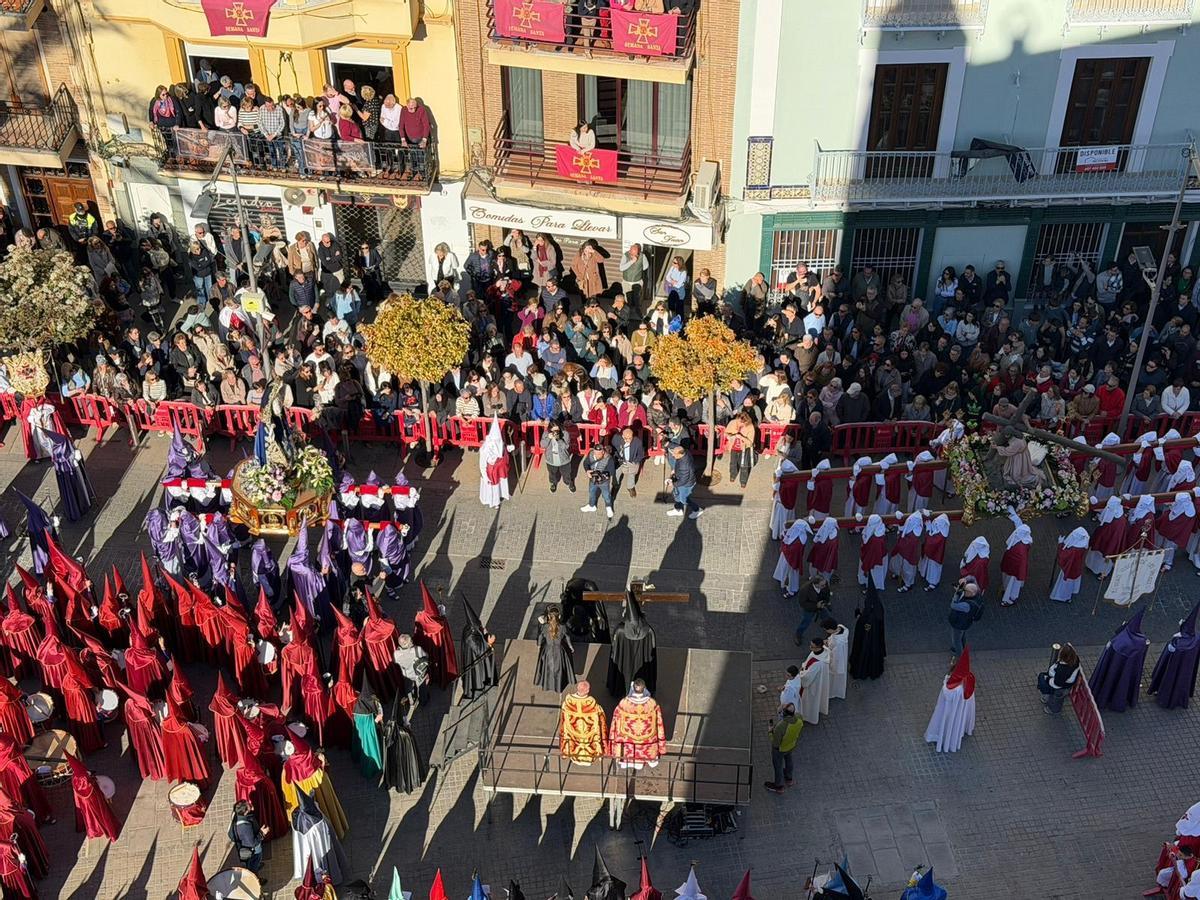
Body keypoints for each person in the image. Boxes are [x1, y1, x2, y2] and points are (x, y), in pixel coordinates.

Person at [1148, 600, 1200, 710]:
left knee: (1169, 679)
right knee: (1181, 682)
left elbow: (1171, 652)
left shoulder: (1179, 643)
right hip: (1186, 669)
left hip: (1173, 667)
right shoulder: (1196, 638)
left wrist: (1173, 642)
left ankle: (1165, 698)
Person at [924, 648, 976, 753]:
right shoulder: (969, 678)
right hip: (960, 709)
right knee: (956, 722)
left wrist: (947, 677)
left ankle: (940, 737)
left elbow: (946, 693)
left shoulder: (953, 687)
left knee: (945, 723)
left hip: (949, 709)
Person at [762, 702, 803, 794]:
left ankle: (778, 786)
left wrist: (770, 732)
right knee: (789, 760)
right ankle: (789, 778)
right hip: (791, 745)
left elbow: (775, 742)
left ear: (784, 713)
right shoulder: (799, 718)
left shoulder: (780, 727)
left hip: (780, 749)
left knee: (778, 766)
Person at [534, 605, 575, 693]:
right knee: (559, 669)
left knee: (548, 668)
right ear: (559, 616)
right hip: (559, 651)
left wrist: (539, 645)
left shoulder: (545, 626)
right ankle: (558, 686)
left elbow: (540, 636)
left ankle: (547, 685)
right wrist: (571, 646)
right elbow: (567, 637)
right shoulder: (562, 627)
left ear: (548, 616)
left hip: (547, 650)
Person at [1039, 643, 1081, 714]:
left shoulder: (1063, 670)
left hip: (1061, 687)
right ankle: (1048, 697)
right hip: (1064, 684)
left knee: (1056, 698)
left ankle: (1053, 709)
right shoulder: (1074, 659)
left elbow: (1057, 684)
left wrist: (1048, 679)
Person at [798, 636, 831, 725]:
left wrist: (800, 674)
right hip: (817, 680)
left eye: (812, 646)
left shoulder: (818, 663)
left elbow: (807, 677)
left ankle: (808, 716)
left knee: (809, 701)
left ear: (819, 647)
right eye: (810, 645)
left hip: (813, 684)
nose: (810, 648)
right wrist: (803, 666)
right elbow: (808, 661)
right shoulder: (822, 652)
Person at [229, 799, 268, 873]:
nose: (251, 804)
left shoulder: (237, 815)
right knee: (255, 862)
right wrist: (262, 833)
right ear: (245, 812)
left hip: (246, 843)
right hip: (253, 850)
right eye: (249, 805)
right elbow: (253, 843)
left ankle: (256, 865)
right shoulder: (244, 827)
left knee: (253, 862)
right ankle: (255, 876)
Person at [947, 577, 983, 657]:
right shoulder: (977, 591)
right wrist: (965, 580)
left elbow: (953, 605)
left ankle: (959, 657)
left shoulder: (967, 605)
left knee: (956, 640)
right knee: (962, 635)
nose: (964, 591)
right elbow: (973, 578)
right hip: (966, 622)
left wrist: (957, 593)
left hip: (959, 623)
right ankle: (963, 647)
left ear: (970, 593)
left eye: (965, 591)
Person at [580, 443, 616, 519]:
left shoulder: (609, 459)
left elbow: (611, 472)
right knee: (591, 492)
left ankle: (608, 507)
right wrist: (587, 471)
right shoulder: (591, 454)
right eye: (595, 453)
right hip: (592, 479)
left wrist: (601, 475)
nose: (596, 455)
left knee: (606, 495)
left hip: (604, 481)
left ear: (603, 452)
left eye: (599, 454)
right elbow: (585, 463)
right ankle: (591, 505)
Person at [665, 445, 701, 518]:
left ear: (680, 454)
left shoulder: (684, 466)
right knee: (677, 495)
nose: (672, 454)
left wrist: (673, 484)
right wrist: (674, 470)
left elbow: (683, 481)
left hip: (686, 484)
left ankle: (697, 510)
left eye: (674, 454)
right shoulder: (685, 453)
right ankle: (678, 509)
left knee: (684, 499)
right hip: (683, 479)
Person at [541, 422, 575, 493]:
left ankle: (569, 483)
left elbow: (566, 447)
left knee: (566, 473)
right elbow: (543, 445)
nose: (555, 432)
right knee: (552, 473)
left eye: (557, 430)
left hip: (563, 458)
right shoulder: (546, 433)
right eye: (553, 430)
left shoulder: (565, 433)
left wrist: (559, 439)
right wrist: (548, 438)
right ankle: (553, 483)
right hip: (551, 458)